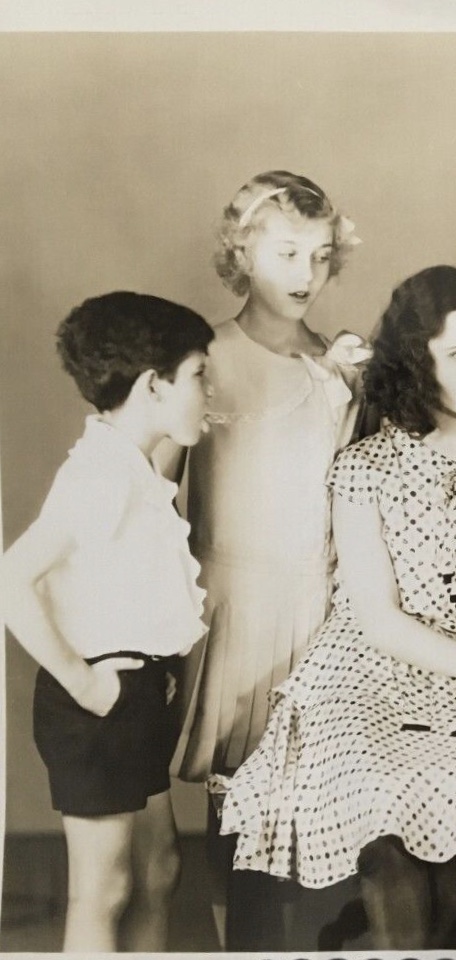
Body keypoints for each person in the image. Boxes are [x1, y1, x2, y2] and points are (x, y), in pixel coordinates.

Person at [217, 265, 456, 950]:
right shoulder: (366, 467)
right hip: (362, 678)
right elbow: (380, 622)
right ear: (415, 361)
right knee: (387, 826)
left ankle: (372, 939)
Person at [161, 170, 367, 947]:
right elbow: (164, 495)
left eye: (319, 257)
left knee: (319, 800)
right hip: (235, 599)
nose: (305, 276)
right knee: (239, 801)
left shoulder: (336, 363)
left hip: (316, 602)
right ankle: (243, 943)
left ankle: (321, 937)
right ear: (242, 253)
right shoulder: (206, 356)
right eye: (286, 255)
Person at [0, 292, 213, 952]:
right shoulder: (99, 477)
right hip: (99, 708)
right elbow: (11, 578)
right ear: (154, 385)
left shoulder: (134, 466)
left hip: (139, 698)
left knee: (158, 872)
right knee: (104, 890)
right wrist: (84, 684)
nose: (210, 392)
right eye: (200, 375)